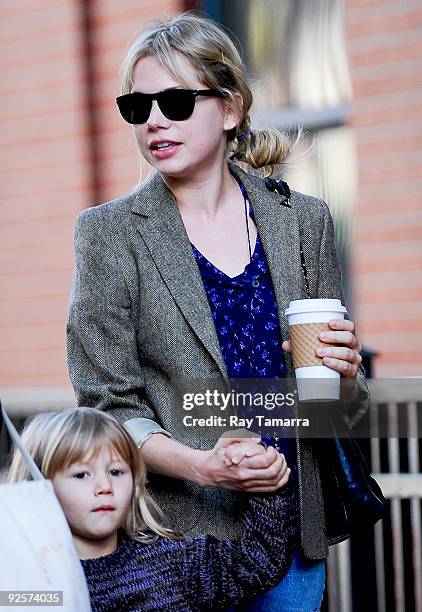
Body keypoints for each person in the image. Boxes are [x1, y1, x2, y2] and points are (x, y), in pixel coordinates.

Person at [67, 12, 368, 611]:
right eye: (138, 106)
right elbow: (107, 404)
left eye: (176, 101)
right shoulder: (107, 234)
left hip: (290, 538)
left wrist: (344, 377)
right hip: (173, 547)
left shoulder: (302, 221)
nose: (154, 120)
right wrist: (203, 467)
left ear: (230, 109)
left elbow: (330, 408)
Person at [8, 407, 297, 611]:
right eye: (82, 475)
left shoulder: (173, 560)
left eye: (116, 472)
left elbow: (257, 564)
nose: (104, 487)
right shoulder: (31, 584)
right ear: (40, 487)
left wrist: (264, 480)